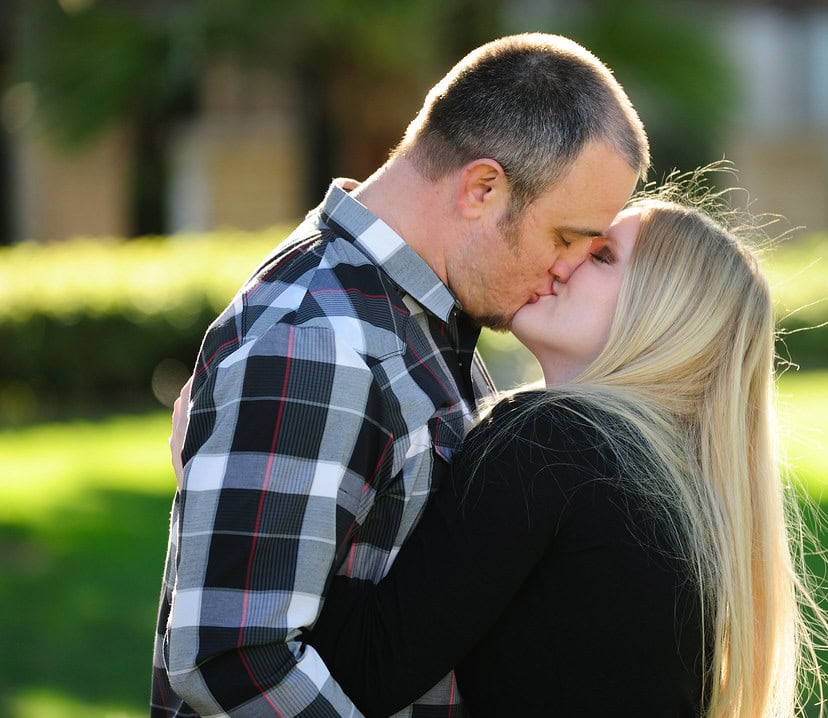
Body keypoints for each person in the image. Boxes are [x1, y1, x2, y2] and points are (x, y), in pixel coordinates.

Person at [171, 173, 828, 717]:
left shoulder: (551, 444)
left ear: (662, 312)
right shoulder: (667, 479)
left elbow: (368, 670)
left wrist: (227, 465)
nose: (560, 261)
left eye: (601, 254)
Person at [152, 33, 648, 717]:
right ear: (481, 188)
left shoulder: (415, 315)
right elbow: (233, 660)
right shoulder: (320, 344)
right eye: (564, 238)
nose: (564, 269)